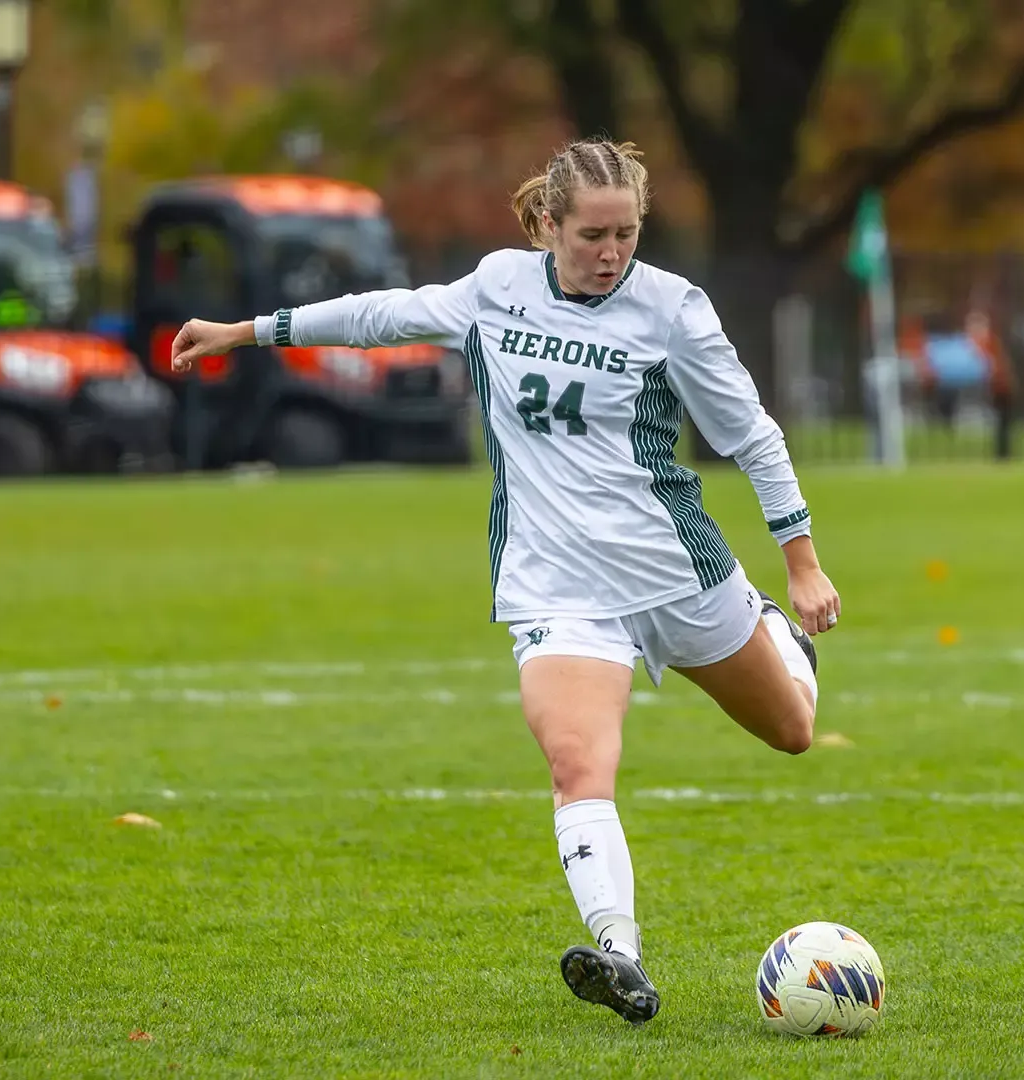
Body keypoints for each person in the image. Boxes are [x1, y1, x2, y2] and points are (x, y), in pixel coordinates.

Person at [169, 139, 839, 1027]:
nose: (611, 253)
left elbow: (751, 435)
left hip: (677, 572)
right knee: (576, 764)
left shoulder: (673, 309)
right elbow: (383, 317)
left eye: (627, 234)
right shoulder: (496, 288)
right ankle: (621, 956)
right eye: (592, 235)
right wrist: (249, 331)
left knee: (793, 732)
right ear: (546, 226)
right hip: (556, 585)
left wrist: (801, 562)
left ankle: (769, 633)